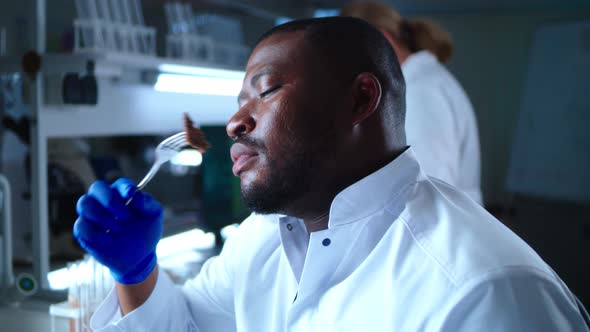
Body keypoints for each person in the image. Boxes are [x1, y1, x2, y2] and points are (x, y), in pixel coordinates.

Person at [74, 17, 589, 331]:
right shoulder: (263, 239)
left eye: (266, 89)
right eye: (238, 101)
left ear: (361, 98)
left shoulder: (483, 291)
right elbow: (187, 327)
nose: (234, 122)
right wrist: (136, 271)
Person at [342, 1, 483, 204]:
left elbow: (429, 190)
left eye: (352, 55)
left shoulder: (423, 91)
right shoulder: (423, 83)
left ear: (383, 41)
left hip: (436, 229)